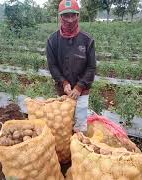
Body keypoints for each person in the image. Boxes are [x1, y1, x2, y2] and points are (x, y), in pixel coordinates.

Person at [46, 0, 96, 131]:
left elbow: (91, 67)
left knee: (80, 126)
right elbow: (52, 65)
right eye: (66, 15)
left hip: (82, 90)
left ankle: (79, 147)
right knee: (63, 125)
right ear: (60, 17)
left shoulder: (87, 40)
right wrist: (63, 82)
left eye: (73, 15)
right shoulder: (52, 40)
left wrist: (79, 87)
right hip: (63, 90)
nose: (69, 19)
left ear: (78, 16)